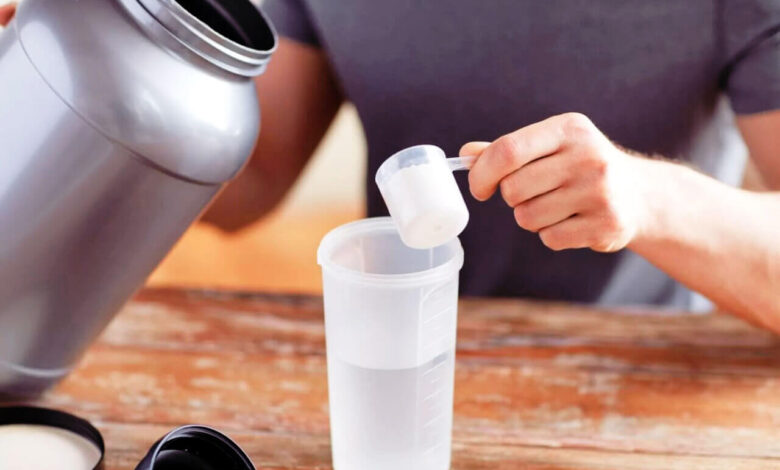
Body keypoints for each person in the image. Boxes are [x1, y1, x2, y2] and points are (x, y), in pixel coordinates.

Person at [5, 3, 779, 329]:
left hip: (635, 360)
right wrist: (66, 94)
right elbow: (254, 178)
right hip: (388, 342)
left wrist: (649, 198)